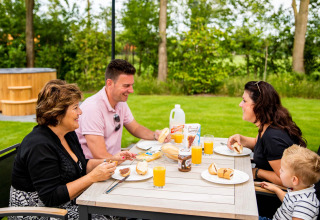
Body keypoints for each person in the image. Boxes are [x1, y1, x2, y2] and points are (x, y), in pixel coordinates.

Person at [9, 79, 135, 219]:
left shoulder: (68, 133)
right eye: (75, 108)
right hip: (39, 212)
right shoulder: (39, 146)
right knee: (108, 214)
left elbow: (83, 165)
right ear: (57, 113)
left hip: (64, 204)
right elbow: (51, 197)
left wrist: (111, 159)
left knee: (114, 206)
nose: (80, 112)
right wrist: (92, 177)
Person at [76, 59, 170, 159]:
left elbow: (135, 128)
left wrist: (156, 135)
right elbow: (100, 155)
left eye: (132, 85)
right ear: (109, 83)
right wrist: (126, 162)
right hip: (98, 168)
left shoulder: (119, 101)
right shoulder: (93, 108)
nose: (131, 90)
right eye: (126, 86)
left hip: (114, 161)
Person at [227, 81, 306, 186]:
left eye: (244, 101)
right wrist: (242, 139)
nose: (240, 104)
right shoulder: (269, 125)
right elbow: (261, 145)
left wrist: (257, 172)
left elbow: (287, 180)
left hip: (271, 196)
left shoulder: (272, 137)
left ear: (259, 105)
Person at [259, 145, 320, 220]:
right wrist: (276, 189)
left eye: (282, 170)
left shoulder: (305, 204)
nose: (279, 171)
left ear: (294, 180)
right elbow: (288, 201)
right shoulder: (299, 190)